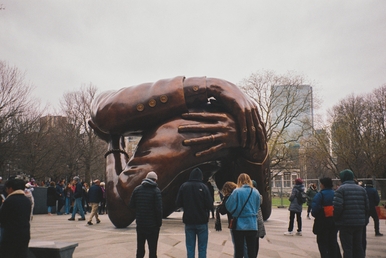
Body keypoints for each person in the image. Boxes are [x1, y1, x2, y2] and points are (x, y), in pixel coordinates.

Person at [176, 167, 213, 258]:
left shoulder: (184, 186)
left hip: (189, 220)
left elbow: (177, 203)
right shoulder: (204, 187)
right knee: (202, 247)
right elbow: (209, 204)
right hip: (202, 220)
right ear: (201, 177)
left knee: (190, 247)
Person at [333, 169, 369, 258]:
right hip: (359, 223)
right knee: (358, 246)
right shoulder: (362, 190)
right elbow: (367, 207)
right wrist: (364, 219)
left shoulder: (340, 190)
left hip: (346, 223)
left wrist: (336, 219)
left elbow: (338, 207)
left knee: (348, 248)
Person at [225, 173, 260, 258]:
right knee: (251, 250)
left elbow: (229, 205)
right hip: (252, 224)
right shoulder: (255, 192)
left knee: (239, 250)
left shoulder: (237, 191)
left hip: (239, 224)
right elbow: (257, 206)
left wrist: (236, 212)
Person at [129, 171, 163, 258]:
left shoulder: (137, 189)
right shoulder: (156, 191)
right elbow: (158, 209)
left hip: (141, 223)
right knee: (152, 249)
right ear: (155, 180)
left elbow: (131, 205)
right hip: (153, 225)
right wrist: (159, 223)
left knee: (140, 247)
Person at [0, 178, 32, 257]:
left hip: (11, 235)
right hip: (25, 234)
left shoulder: (9, 201)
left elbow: (2, 218)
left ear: (11, 188)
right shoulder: (27, 200)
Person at [312, 177, 341, 258]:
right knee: (333, 241)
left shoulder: (320, 195)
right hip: (334, 221)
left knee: (322, 242)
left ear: (323, 185)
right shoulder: (336, 193)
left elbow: (315, 209)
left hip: (323, 221)